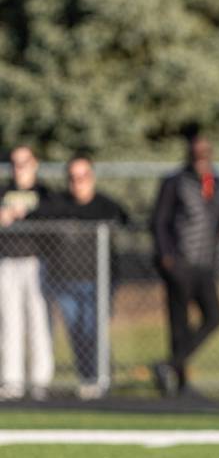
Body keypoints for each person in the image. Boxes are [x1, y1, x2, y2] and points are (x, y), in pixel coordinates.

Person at [150, 134, 219, 397]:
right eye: (196, 152)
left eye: (205, 152)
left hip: (205, 263)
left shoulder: (218, 183)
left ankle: (170, 364)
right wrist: (165, 255)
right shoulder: (176, 182)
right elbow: (159, 221)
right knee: (178, 323)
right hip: (179, 262)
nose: (201, 157)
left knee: (214, 317)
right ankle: (179, 382)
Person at [34, 155, 129, 400]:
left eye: (83, 176)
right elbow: (36, 218)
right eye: (73, 177)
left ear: (92, 177)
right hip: (65, 280)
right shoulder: (58, 204)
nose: (79, 182)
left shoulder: (105, 205)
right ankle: (88, 379)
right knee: (76, 331)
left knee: (93, 329)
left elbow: (126, 221)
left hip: (97, 281)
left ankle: (102, 377)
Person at [0, 145, 55, 401]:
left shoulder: (43, 193)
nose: (18, 168)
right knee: (9, 323)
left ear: (34, 163)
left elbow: (55, 215)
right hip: (8, 261)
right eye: (15, 163)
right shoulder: (4, 191)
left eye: (24, 162)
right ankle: (12, 380)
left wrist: (28, 213)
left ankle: (40, 380)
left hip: (36, 262)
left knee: (38, 321)